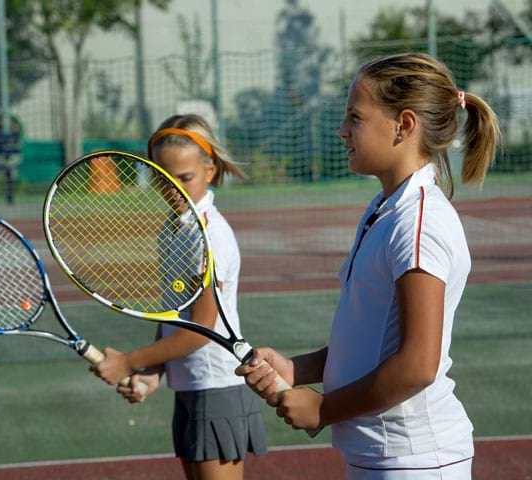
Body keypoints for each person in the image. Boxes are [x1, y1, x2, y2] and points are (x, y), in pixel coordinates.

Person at [236, 52, 501, 479]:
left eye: (354, 118)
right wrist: (297, 369)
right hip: (386, 458)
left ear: (405, 125)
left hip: (415, 461)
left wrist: (324, 407)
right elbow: (374, 337)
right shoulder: (386, 208)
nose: (342, 131)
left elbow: (416, 365)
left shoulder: (419, 223)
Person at [90, 113, 268, 480]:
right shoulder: (174, 229)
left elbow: (201, 327)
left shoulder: (209, 236)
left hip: (217, 387)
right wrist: (154, 372)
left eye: (184, 179)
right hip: (190, 385)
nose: (174, 189)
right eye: (162, 178)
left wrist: (129, 361)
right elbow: (176, 315)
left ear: (210, 171)